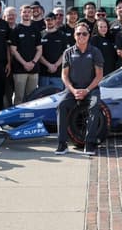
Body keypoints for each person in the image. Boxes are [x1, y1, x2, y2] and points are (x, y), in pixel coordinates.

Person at [55, 24, 104, 156]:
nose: (81, 36)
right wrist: (73, 90)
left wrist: (87, 90)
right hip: (72, 90)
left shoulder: (95, 52)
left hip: (91, 89)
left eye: (84, 34)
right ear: (74, 35)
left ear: (89, 36)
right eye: (78, 34)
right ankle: (62, 144)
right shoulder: (68, 52)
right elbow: (64, 75)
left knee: (94, 106)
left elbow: (99, 75)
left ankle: (89, 144)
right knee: (61, 106)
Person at [10, 4, 42, 105]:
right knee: (19, 97)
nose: (26, 14)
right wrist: (24, 63)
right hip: (19, 69)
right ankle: (17, 120)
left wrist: (33, 62)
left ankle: (30, 120)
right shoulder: (16, 30)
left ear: (31, 14)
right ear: (21, 13)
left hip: (34, 69)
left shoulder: (35, 30)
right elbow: (13, 50)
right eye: (24, 12)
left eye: (29, 12)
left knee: (32, 98)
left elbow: (40, 49)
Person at [39, 13, 68, 90]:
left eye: (52, 20)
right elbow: (38, 53)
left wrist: (55, 65)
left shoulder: (62, 35)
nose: (50, 22)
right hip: (43, 74)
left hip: (58, 74)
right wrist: (49, 65)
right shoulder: (40, 35)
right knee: (43, 98)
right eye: (48, 20)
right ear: (44, 21)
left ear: (55, 21)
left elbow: (65, 53)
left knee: (58, 97)